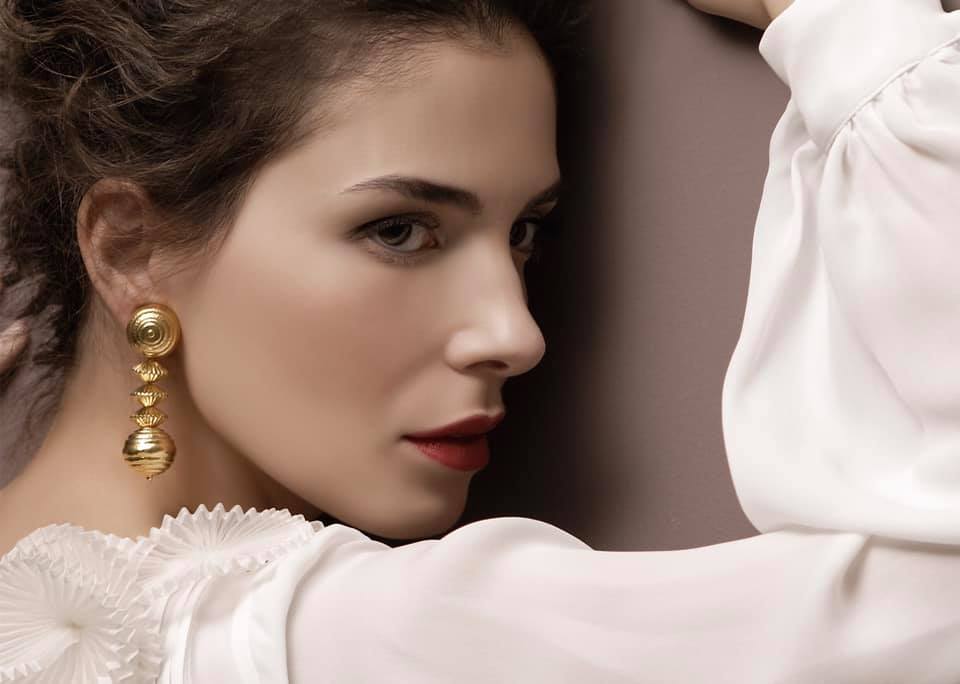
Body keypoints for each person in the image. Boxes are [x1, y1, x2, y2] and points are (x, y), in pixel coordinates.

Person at [1, 0, 960, 681]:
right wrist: (853, 33)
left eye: (526, 233)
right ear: (131, 249)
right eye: (398, 230)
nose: (517, 333)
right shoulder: (352, 640)